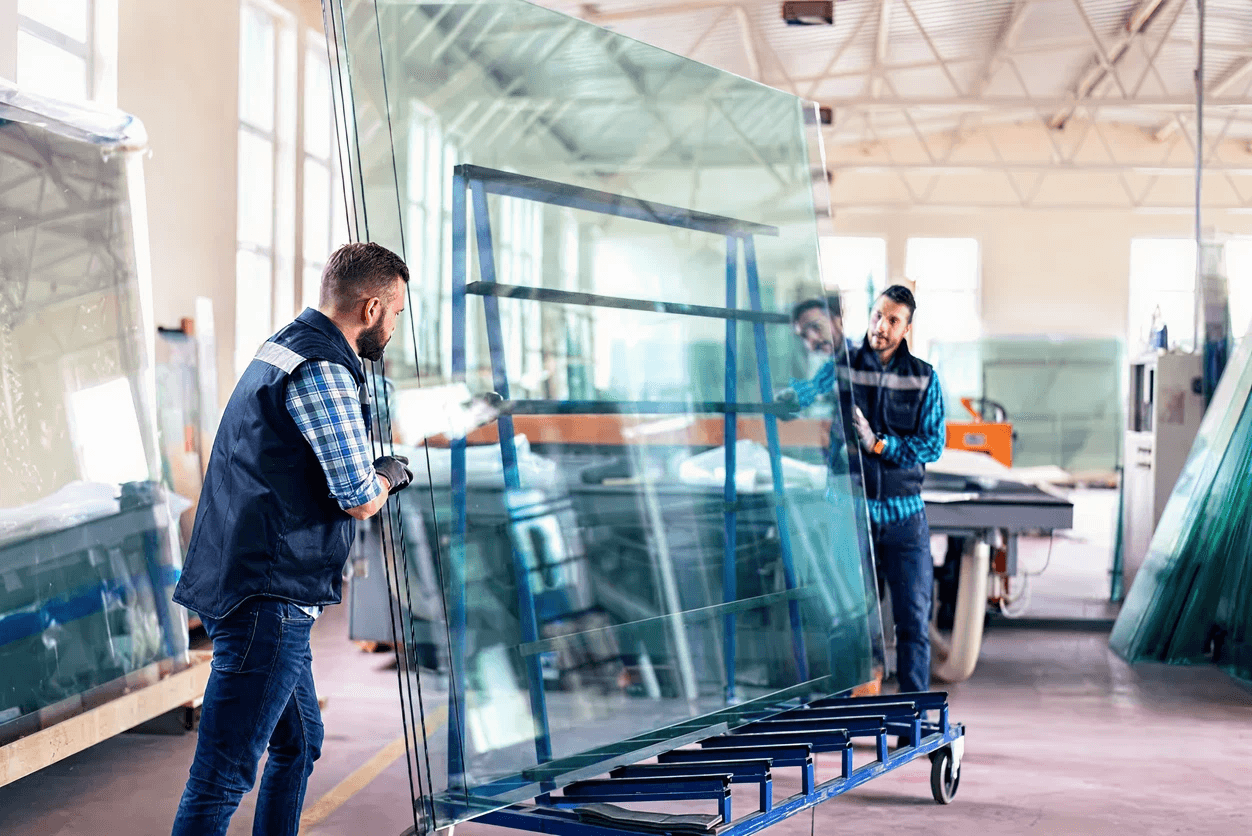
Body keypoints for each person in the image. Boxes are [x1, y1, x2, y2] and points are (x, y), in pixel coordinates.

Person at [170, 242, 416, 836]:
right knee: (223, 774)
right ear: (372, 306)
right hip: (268, 598)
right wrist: (390, 471)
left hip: (250, 579)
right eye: (398, 315)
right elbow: (357, 496)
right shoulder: (325, 368)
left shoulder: (283, 345)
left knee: (300, 742)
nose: (396, 328)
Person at [787, 285, 945, 696]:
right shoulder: (844, 365)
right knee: (852, 619)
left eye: (893, 320)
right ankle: (852, 713)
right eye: (877, 315)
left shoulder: (924, 377)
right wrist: (784, 398)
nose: (881, 326)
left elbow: (932, 445)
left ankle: (911, 716)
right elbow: (807, 392)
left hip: (903, 517)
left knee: (912, 619)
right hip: (850, 512)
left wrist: (880, 444)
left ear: (907, 327)